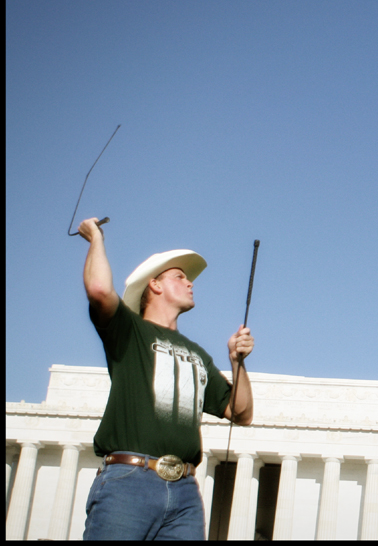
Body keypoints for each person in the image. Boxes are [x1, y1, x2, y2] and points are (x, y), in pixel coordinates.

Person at [76, 216, 255, 540]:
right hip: (129, 481)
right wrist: (96, 239)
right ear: (154, 285)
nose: (190, 283)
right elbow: (100, 290)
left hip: (185, 491)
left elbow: (241, 413)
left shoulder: (198, 354)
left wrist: (237, 363)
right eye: (179, 277)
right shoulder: (129, 331)